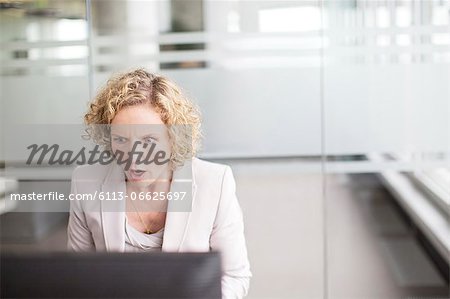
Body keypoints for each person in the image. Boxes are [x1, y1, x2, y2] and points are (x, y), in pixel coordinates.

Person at [67, 68, 252, 298]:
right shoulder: (86, 182)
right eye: (121, 140)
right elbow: (77, 277)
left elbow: (234, 276)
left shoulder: (215, 182)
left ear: (173, 138)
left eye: (149, 140)